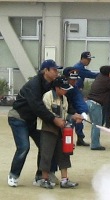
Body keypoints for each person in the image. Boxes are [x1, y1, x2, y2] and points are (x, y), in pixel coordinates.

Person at [7, 59, 65, 187]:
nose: (57, 72)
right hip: (18, 118)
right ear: (46, 70)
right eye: (54, 69)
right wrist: (54, 119)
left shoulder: (52, 84)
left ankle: (40, 176)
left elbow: (63, 95)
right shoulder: (34, 84)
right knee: (24, 147)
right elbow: (38, 107)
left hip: (34, 120)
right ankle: (13, 175)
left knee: (45, 145)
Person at [38, 76, 83, 189]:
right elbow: (45, 113)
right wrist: (57, 120)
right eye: (64, 88)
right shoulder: (47, 96)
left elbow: (64, 114)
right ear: (56, 88)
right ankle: (44, 179)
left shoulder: (64, 99)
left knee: (64, 153)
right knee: (47, 154)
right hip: (47, 128)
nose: (66, 91)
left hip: (60, 129)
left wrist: (73, 116)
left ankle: (64, 180)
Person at [72, 51, 98, 146]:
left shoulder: (80, 67)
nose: (89, 61)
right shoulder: (79, 68)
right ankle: (79, 138)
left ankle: (79, 137)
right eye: (87, 59)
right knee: (80, 113)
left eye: (90, 59)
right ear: (82, 58)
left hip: (77, 92)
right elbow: (92, 75)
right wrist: (104, 74)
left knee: (78, 114)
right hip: (76, 93)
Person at [63, 67, 89, 146]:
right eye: (72, 80)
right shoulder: (61, 88)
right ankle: (66, 141)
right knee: (68, 125)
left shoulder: (74, 87)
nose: (74, 81)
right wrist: (74, 113)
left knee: (78, 121)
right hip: (64, 111)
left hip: (73, 109)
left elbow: (78, 100)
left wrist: (83, 112)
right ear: (66, 78)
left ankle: (79, 139)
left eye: (75, 79)